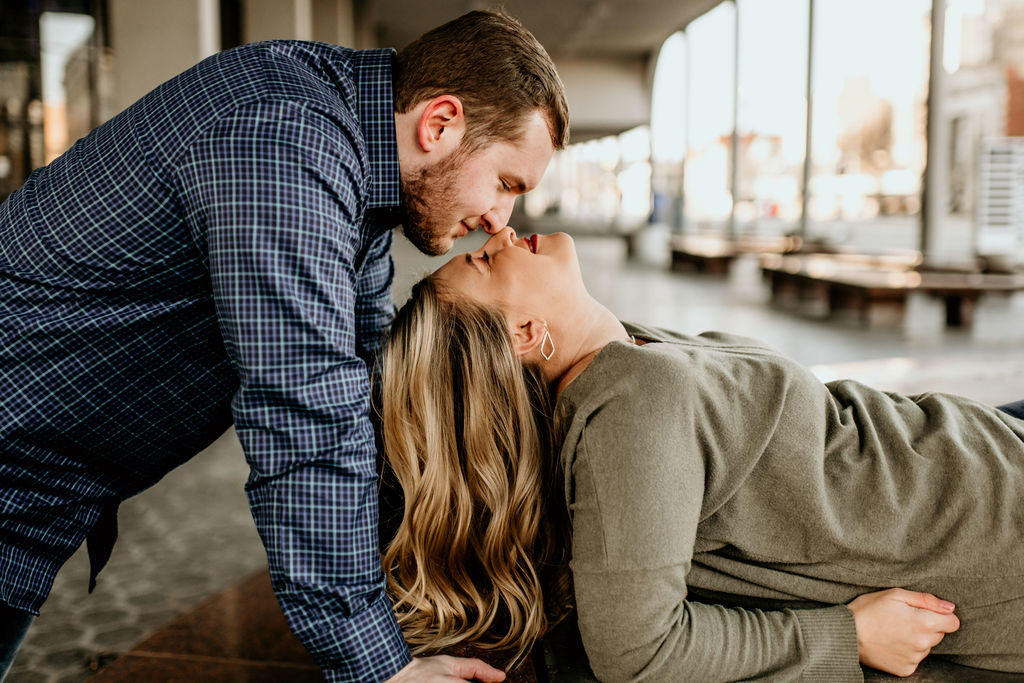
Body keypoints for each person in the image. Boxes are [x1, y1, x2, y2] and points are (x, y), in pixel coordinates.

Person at [0, 10, 568, 683]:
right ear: (439, 123)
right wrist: (377, 667)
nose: (499, 223)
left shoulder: (352, 181)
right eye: (507, 184)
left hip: (34, 496)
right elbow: (307, 411)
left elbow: (364, 396)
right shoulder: (284, 140)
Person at [379, 226, 1024, 682]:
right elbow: (637, 651)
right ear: (524, 334)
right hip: (985, 523)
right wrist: (845, 638)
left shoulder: (626, 354)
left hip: (974, 449)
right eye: (484, 263)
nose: (496, 233)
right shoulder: (630, 408)